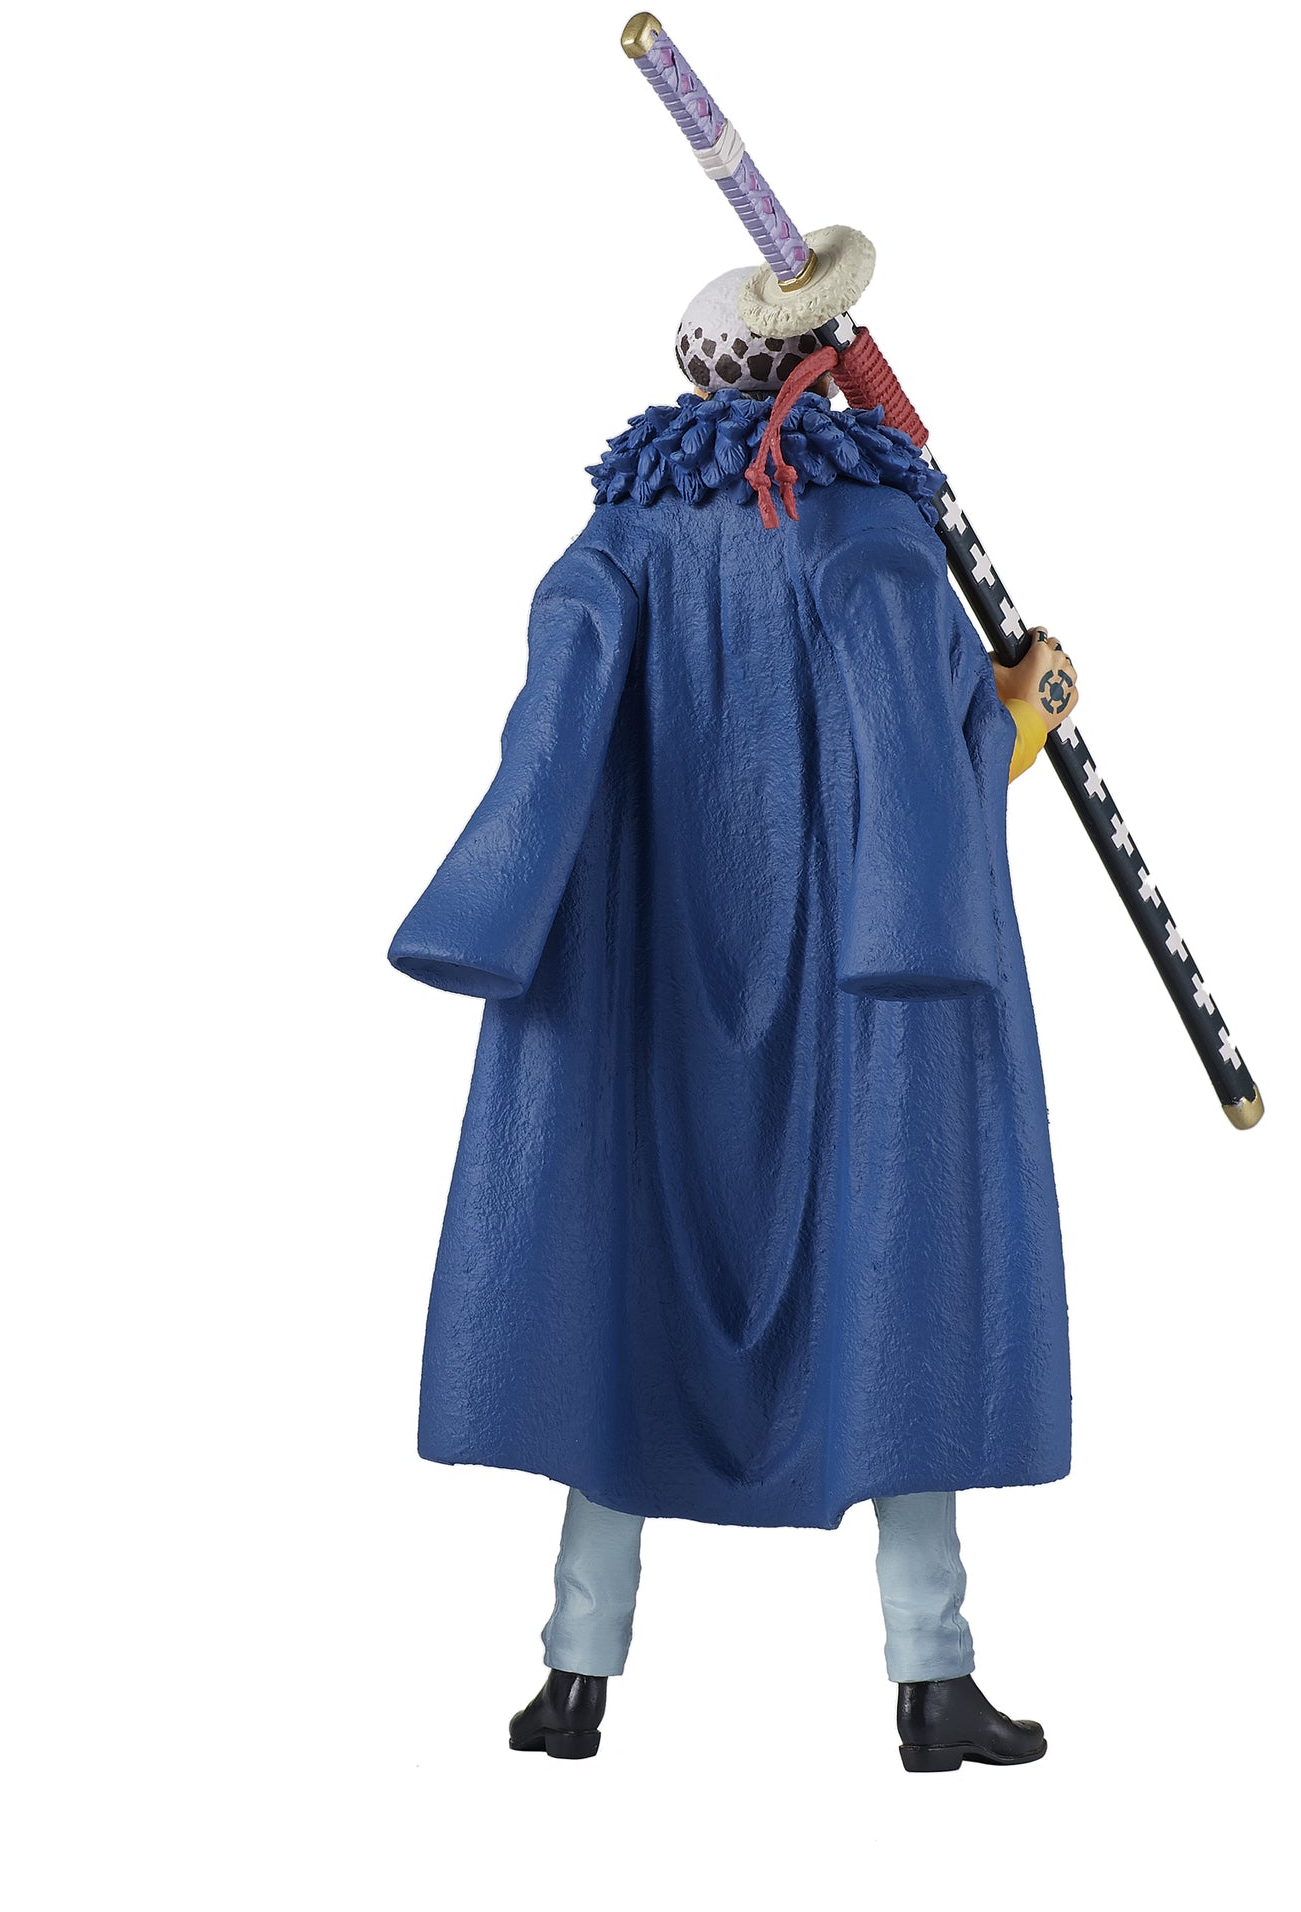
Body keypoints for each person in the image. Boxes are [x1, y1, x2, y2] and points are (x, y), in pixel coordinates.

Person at [389, 267, 1073, 1771]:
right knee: (894, 1290)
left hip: (652, 994)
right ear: (810, 376)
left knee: (620, 1291)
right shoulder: (872, 529)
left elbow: (556, 735)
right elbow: (926, 766)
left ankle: (574, 1674)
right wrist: (1025, 713)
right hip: (856, 1000)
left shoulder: (622, 534)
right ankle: (932, 1676)